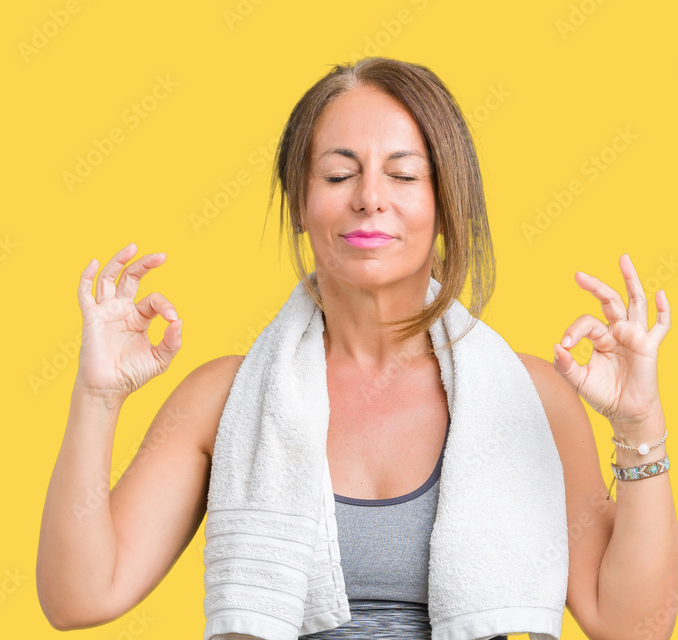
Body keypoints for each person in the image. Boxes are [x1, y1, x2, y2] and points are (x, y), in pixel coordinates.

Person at [36, 57, 678, 639]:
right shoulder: (222, 399)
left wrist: (639, 424)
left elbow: (634, 627)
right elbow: (78, 598)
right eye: (340, 173)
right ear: (299, 201)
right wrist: (98, 397)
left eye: (403, 175)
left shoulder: (532, 398)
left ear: (445, 203)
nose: (370, 198)